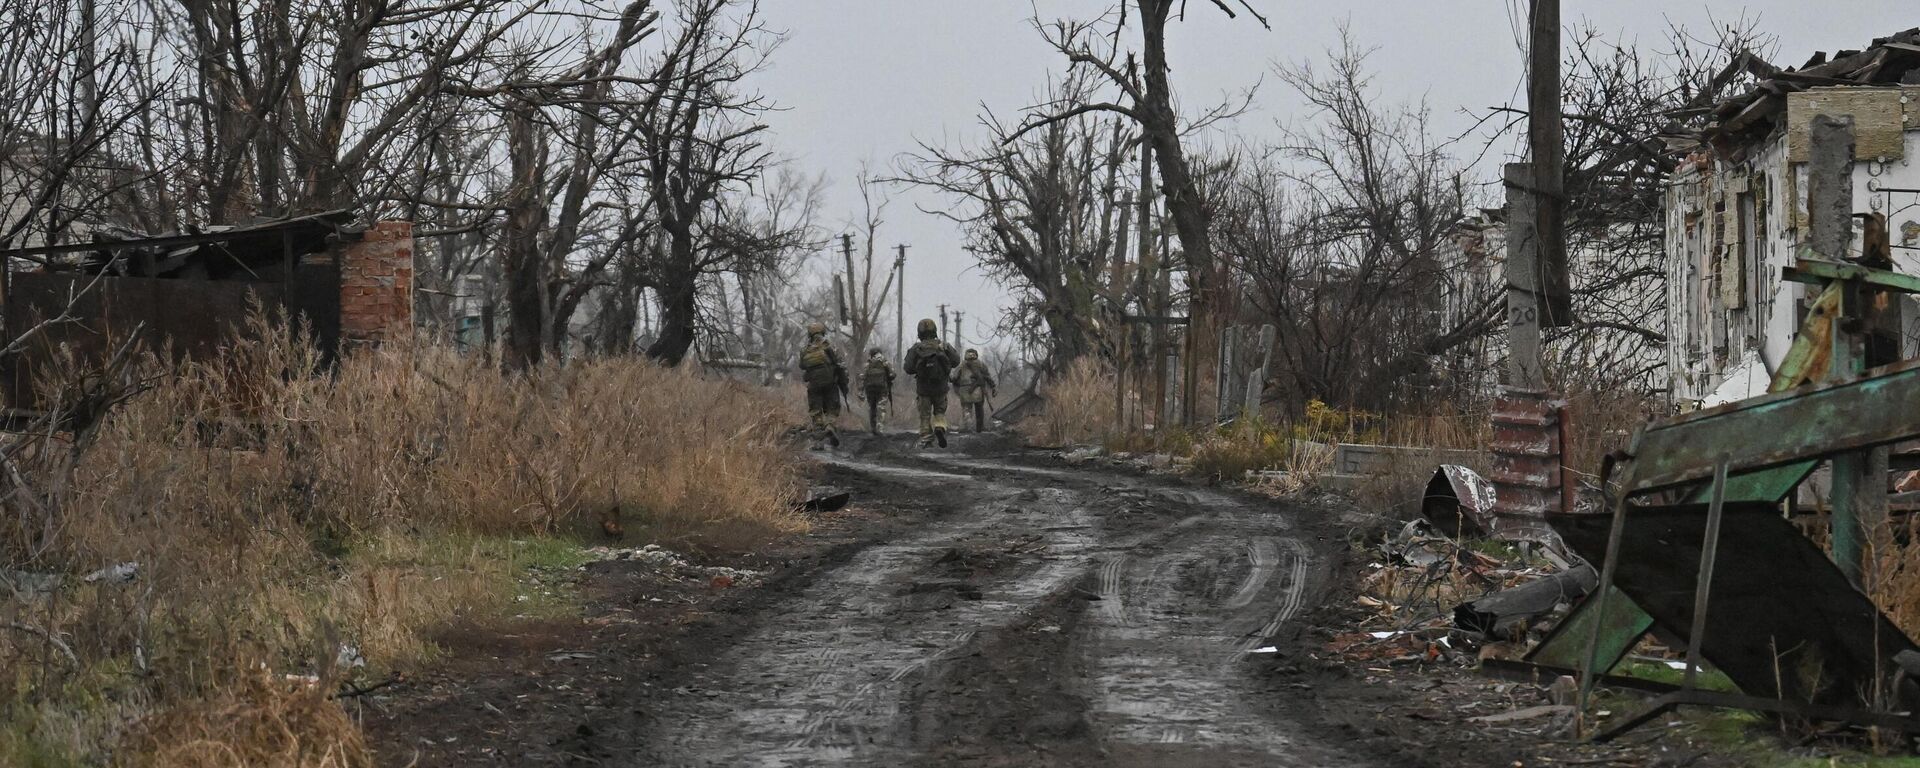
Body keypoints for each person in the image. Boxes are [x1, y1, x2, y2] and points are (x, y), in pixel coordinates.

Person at [902, 318, 960, 447]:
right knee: (940, 411)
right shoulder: (943, 345)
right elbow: (956, 361)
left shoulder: (917, 348)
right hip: (941, 388)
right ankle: (939, 427)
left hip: (923, 389)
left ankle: (927, 440)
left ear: (919, 332)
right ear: (934, 330)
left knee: (925, 415)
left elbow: (908, 368)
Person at [797, 321, 847, 448]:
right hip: (830, 383)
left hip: (814, 385)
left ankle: (818, 442)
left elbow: (802, 366)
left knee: (816, 412)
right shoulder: (829, 346)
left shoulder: (805, 350)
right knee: (832, 409)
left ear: (810, 334)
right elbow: (840, 363)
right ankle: (829, 426)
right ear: (823, 332)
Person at [952, 349, 996, 433]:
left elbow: (954, 377)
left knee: (967, 409)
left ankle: (968, 428)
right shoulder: (980, 364)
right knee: (979, 409)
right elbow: (987, 376)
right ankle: (980, 428)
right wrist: (993, 386)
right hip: (978, 390)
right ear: (976, 355)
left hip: (965, 391)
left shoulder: (961, 365)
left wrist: (957, 384)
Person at [859, 347, 895, 435]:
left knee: (872, 407)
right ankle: (880, 428)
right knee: (881, 407)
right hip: (882, 388)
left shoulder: (868, 363)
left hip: (870, 389)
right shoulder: (884, 361)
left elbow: (862, 377)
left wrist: (860, 391)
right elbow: (893, 374)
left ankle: (873, 427)